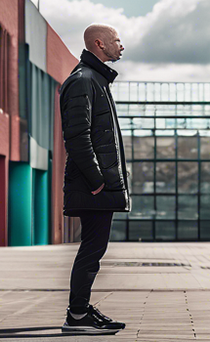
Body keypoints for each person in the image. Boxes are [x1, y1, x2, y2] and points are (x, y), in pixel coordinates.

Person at [59, 24, 130, 335]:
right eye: (117, 41)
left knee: (94, 248)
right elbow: (76, 136)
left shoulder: (95, 80)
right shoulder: (83, 81)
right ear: (99, 44)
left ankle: (80, 310)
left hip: (94, 184)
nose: (121, 47)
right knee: (92, 248)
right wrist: (98, 180)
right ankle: (77, 315)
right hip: (92, 185)